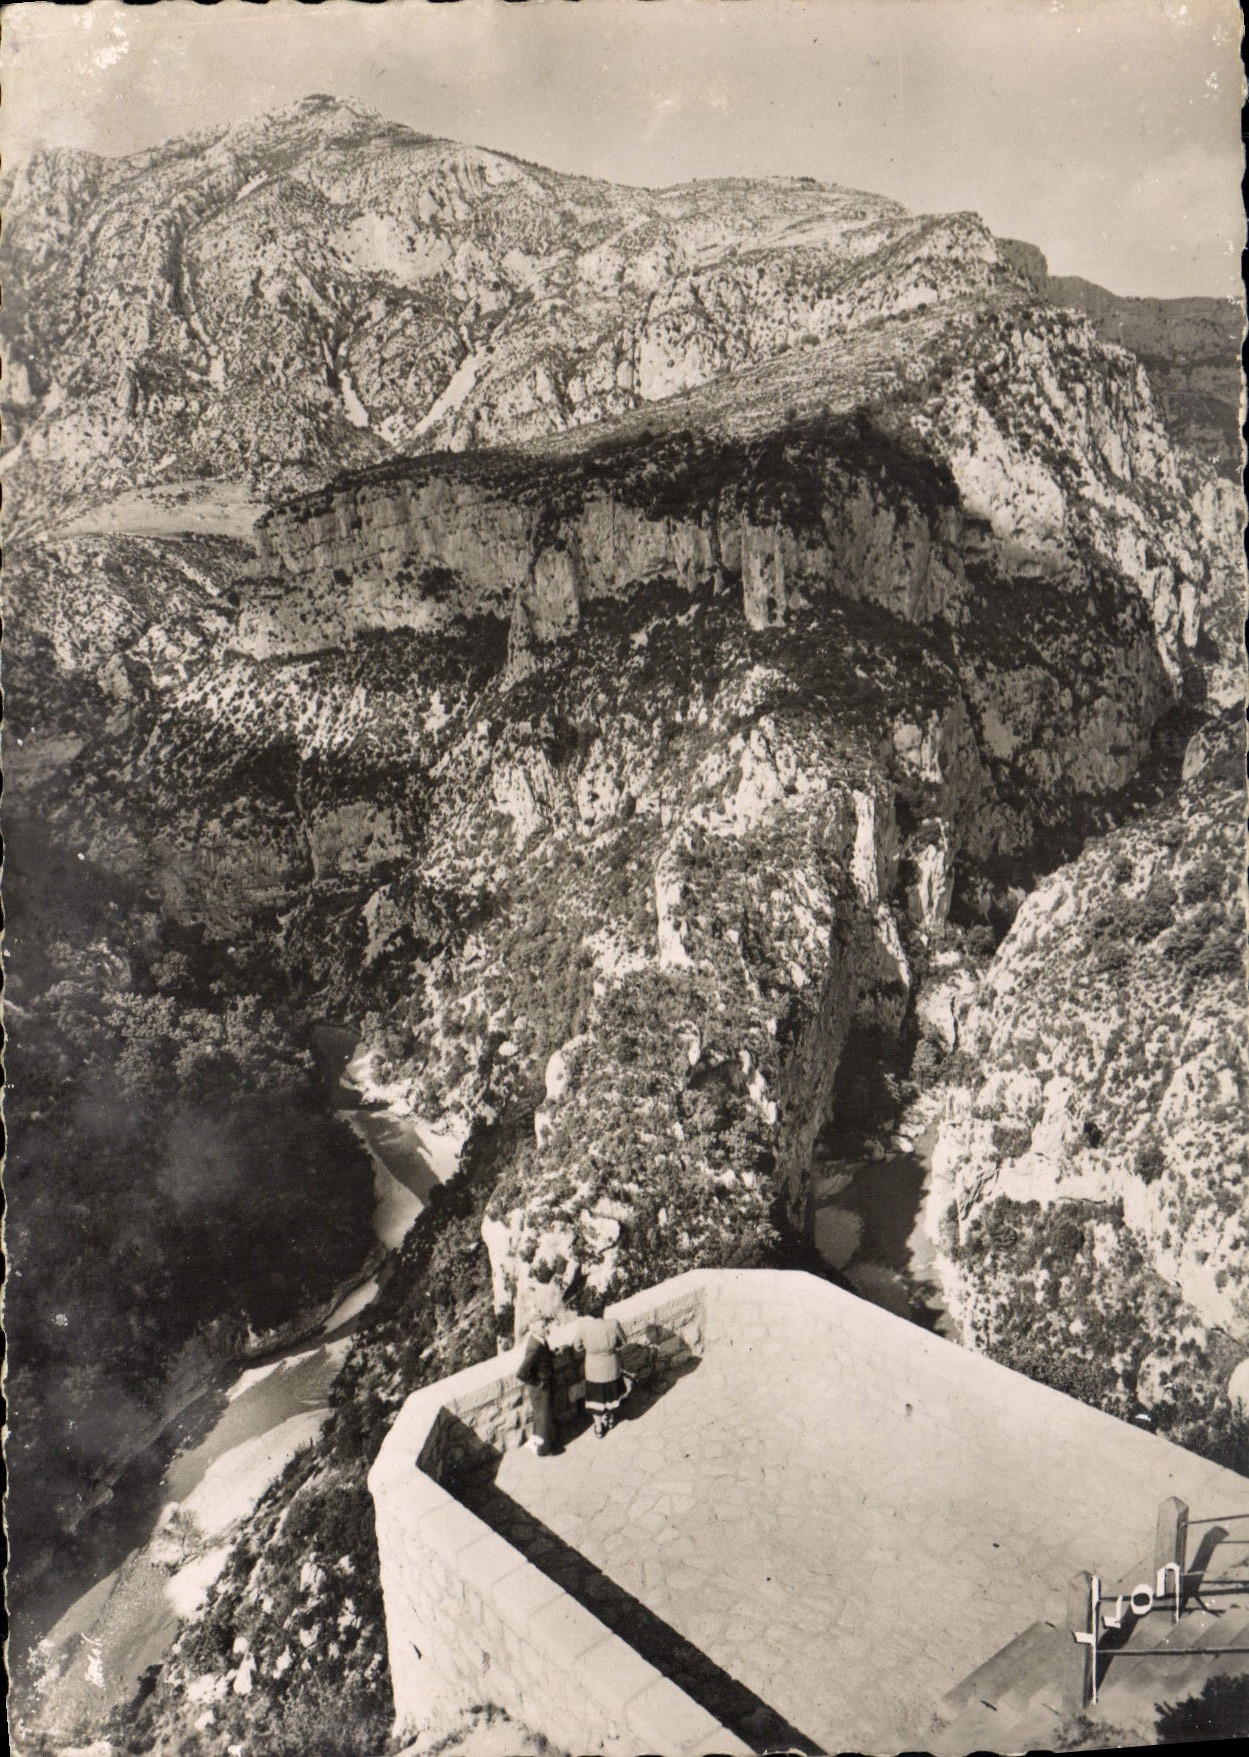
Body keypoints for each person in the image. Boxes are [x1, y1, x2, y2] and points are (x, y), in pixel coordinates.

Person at [572, 1299, 627, 1437]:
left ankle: (598, 1427)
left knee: (596, 1399)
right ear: (603, 1310)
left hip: (593, 1368)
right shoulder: (613, 1324)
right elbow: (624, 1342)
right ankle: (611, 1420)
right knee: (611, 1395)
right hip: (610, 1366)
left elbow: (577, 1347)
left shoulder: (583, 1327)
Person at [517, 1315, 557, 1456]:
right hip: (540, 1389)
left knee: (544, 1416)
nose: (546, 1328)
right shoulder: (534, 1346)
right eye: (542, 1326)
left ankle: (547, 1442)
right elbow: (521, 1373)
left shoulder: (540, 1340)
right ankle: (542, 1449)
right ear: (533, 1329)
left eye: (545, 1325)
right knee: (543, 1418)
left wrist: (551, 1355)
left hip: (544, 1384)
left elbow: (542, 1358)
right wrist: (538, 1383)